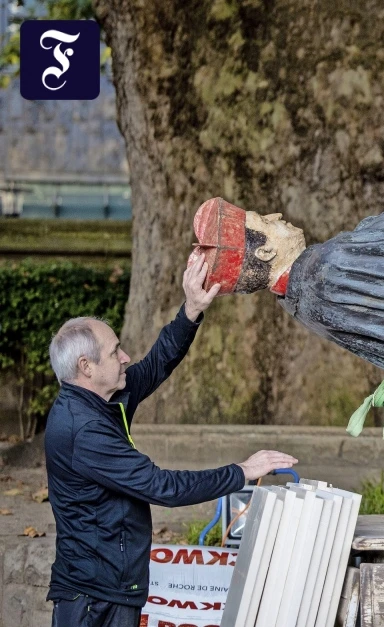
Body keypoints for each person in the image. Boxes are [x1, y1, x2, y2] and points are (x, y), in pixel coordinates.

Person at [44, 253, 298, 626]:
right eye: (115, 351)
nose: (126, 356)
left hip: (110, 587)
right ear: (87, 367)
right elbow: (163, 487)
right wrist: (242, 471)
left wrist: (191, 310)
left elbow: (156, 363)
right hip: (93, 599)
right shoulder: (83, 429)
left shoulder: (102, 399)